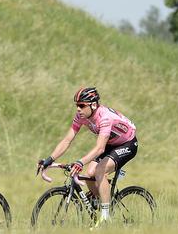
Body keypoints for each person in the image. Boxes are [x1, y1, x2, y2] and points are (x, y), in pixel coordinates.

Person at [38, 87, 138, 226]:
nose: (78, 109)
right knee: (90, 173)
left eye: (81, 105)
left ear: (93, 105)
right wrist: (50, 159)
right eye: (77, 105)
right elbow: (67, 140)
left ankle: (105, 216)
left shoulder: (105, 118)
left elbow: (99, 148)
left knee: (99, 171)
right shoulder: (81, 117)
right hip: (110, 143)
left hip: (127, 144)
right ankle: (104, 198)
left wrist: (80, 162)